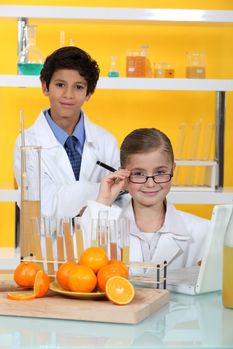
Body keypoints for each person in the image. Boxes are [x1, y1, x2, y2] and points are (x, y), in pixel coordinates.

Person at [81, 128, 210, 270]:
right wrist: (104, 200)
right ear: (123, 174)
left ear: (173, 169)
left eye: (160, 172)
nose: (150, 183)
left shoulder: (204, 231)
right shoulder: (104, 226)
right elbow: (84, 268)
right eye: (138, 173)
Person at [14, 46, 119, 218]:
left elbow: (119, 203)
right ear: (45, 86)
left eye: (78, 87)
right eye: (60, 85)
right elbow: (44, 206)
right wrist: (102, 191)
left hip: (97, 243)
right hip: (49, 244)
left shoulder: (107, 141)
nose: (68, 95)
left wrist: (110, 195)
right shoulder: (27, 143)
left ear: (89, 93)